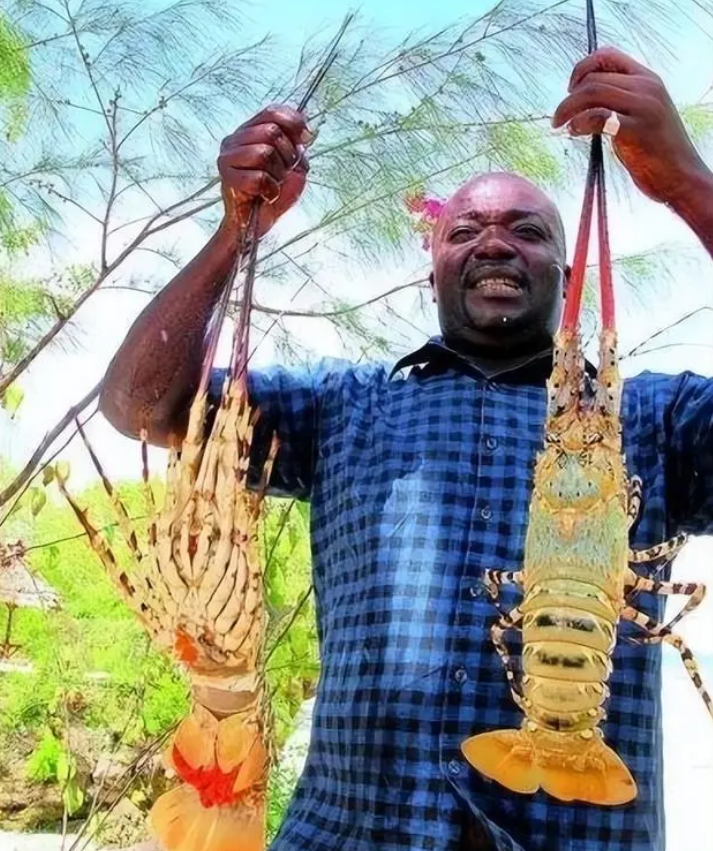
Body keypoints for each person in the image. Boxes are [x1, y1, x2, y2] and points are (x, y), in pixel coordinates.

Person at [100, 47, 713, 851]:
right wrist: (233, 229)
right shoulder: (340, 406)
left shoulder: (656, 416)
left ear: (568, 277)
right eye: (466, 231)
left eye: (525, 231)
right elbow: (143, 407)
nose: (495, 243)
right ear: (432, 274)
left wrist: (687, 186)